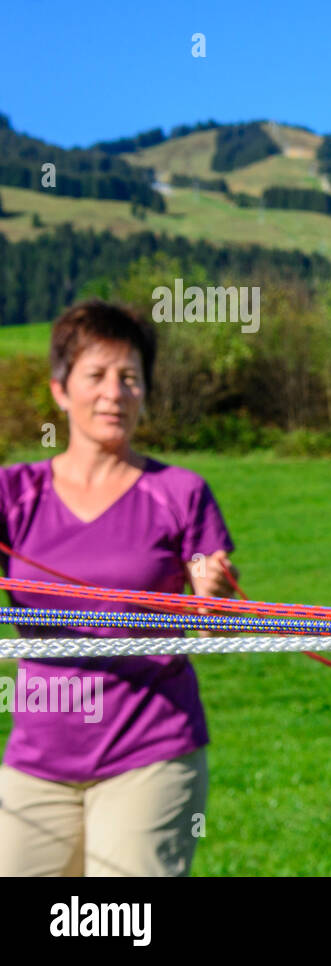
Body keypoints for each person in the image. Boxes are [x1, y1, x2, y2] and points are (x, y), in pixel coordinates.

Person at [0, 299, 238, 876]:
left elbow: (215, 612)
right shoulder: (14, 493)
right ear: (60, 390)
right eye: (97, 376)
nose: (115, 393)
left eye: (130, 378)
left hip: (149, 751)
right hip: (37, 759)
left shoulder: (180, 492)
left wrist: (213, 594)